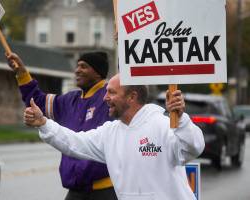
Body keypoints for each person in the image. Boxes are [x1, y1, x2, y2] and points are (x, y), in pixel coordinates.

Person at [24, 74, 205, 200]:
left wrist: (181, 119)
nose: (104, 98)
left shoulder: (162, 125)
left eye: (111, 92)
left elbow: (193, 147)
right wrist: (43, 123)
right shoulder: (110, 133)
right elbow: (74, 142)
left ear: (131, 97)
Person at [6, 51, 118, 200]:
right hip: (75, 192)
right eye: (77, 66)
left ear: (98, 72)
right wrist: (22, 73)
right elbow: (37, 101)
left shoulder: (108, 97)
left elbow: (129, 87)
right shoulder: (70, 100)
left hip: (104, 191)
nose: (77, 70)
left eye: (84, 66)